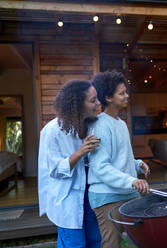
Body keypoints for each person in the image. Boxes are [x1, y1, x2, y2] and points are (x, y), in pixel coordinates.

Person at [88, 71, 150, 248]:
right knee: (111, 244)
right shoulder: (99, 125)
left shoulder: (121, 123)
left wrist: (137, 164)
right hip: (107, 196)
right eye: (121, 93)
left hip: (128, 193)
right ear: (108, 97)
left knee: (142, 239)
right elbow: (101, 167)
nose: (126, 96)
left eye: (126, 92)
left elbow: (122, 158)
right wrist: (132, 180)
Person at [38, 79, 102, 248]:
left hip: (90, 195)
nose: (98, 103)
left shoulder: (92, 125)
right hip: (68, 198)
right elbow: (55, 170)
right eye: (93, 100)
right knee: (75, 244)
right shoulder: (52, 131)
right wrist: (81, 152)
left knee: (95, 241)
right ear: (77, 104)